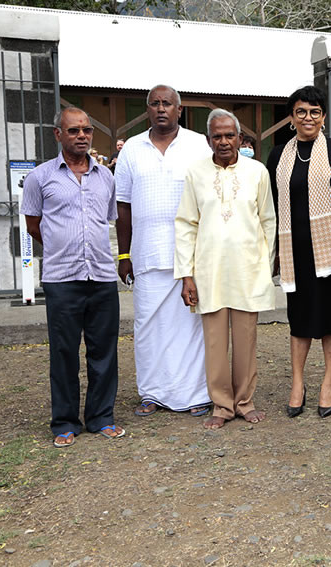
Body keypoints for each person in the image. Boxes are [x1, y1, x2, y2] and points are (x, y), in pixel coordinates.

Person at [20, 107, 125, 448]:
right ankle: (64, 421)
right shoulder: (40, 178)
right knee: (64, 352)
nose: (82, 135)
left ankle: (101, 417)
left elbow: (106, 221)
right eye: (74, 130)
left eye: (86, 130)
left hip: (101, 277)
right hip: (62, 278)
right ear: (58, 135)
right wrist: (60, 247)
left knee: (104, 351)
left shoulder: (105, 178)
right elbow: (34, 225)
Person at [115, 84, 213, 418]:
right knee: (148, 327)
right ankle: (152, 393)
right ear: (147, 110)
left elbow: (209, 199)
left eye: (167, 104)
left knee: (190, 327)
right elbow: (123, 206)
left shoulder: (198, 145)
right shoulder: (131, 148)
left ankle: (196, 393)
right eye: (154, 104)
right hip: (146, 255)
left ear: (179, 109)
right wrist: (124, 255)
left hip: (190, 256)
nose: (161, 109)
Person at [175, 109, 276, 429]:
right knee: (215, 342)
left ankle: (244, 401)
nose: (223, 141)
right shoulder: (195, 173)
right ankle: (221, 405)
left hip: (248, 269)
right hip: (209, 270)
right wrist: (186, 274)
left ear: (239, 138)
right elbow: (186, 224)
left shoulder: (257, 172)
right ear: (208, 140)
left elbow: (268, 222)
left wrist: (265, 264)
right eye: (217, 136)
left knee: (246, 339)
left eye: (229, 135)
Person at [266, 85, 331, 418]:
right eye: (301, 111)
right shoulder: (277, 155)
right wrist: (273, 250)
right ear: (292, 117)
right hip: (295, 251)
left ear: (323, 116)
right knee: (299, 319)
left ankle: (328, 382)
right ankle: (298, 382)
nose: (308, 117)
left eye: (315, 111)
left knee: (330, 319)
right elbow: (272, 206)